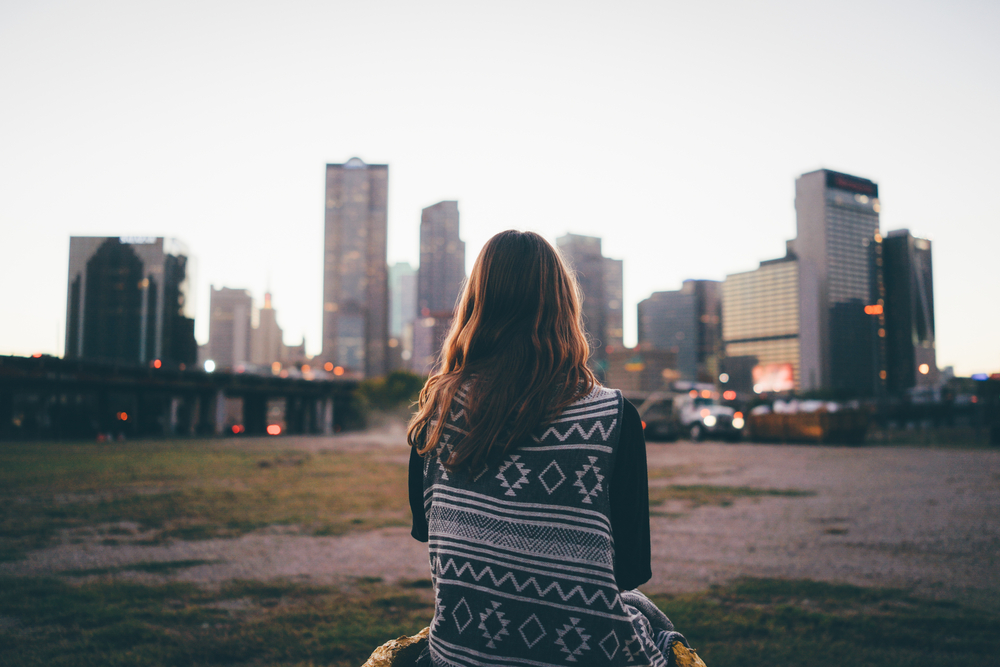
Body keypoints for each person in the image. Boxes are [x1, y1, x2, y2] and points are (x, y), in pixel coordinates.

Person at [407, 230, 696, 667]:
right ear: (565, 307)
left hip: (460, 655)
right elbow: (628, 572)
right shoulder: (615, 417)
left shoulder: (436, 414)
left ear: (475, 305)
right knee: (648, 616)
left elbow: (434, 539)